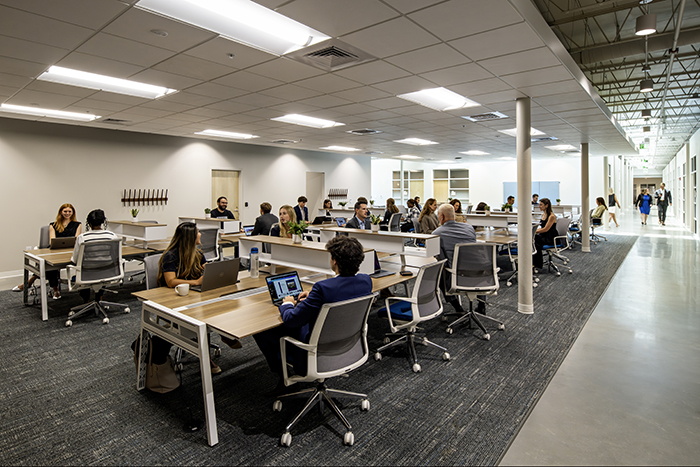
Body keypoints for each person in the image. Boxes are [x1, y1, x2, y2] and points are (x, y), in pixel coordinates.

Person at [253, 236, 373, 394]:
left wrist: (287, 303)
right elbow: (344, 292)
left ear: (334, 261)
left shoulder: (323, 288)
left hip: (315, 352)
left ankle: (284, 378)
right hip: (348, 347)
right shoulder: (366, 281)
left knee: (261, 331)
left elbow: (291, 320)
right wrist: (313, 298)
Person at [157, 222, 236, 375]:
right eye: (198, 232)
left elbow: (205, 268)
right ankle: (207, 359)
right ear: (190, 237)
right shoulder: (171, 255)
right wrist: (196, 282)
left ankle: (224, 334)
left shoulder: (198, 253)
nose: (201, 234)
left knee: (219, 304)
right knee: (202, 316)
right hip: (175, 298)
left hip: (193, 295)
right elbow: (170, 281)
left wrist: (211, 271)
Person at [13, 203, 83, 298]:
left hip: (70, 251)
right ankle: (55, 290)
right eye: (65, 211)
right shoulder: (53, 225)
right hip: (55, 251)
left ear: (73, 212)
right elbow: (52, 241)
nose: (67, 213)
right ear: (61, 212)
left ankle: (31, 280)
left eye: (69, 211)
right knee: (49, 263)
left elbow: (76, 239)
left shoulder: (77, 225)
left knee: (44, 266)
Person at [432, 204, 485, 314]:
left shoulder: (436, 233)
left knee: (440, 274)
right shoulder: (469, 228)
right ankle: (481, 305)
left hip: (457, 277)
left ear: (441, 217)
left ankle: (458, 308)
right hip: (479, 274)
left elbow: (441, 259)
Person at [70, 209, 119, 304]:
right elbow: (115, 258)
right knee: (103, 268)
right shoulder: (112, 236)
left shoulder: (83, 237)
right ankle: (99, 297)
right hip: (108, 273)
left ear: (89, 223)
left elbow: (75, 260)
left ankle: (87, 301)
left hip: (87, 275)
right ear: (103, 222)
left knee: (83, 271)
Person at [534, 198, 558, 270]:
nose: (539, 206)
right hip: (544, 235)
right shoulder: (543, 215)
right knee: (533, 240)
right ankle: (535, 262)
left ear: (546, 205)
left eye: (541, 205)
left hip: (550, 237)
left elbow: (545, 229)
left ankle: (537, 264)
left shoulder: (551, 216)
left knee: (535, 242)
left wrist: (534, 231)